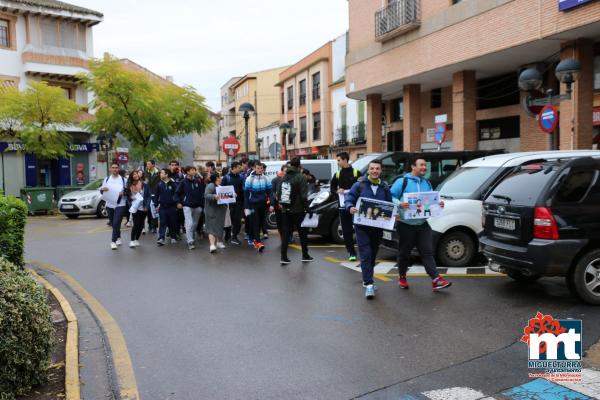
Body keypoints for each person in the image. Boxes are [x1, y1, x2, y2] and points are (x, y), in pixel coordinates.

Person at [391, 156, 451, 291]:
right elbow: (390, 196)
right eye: (421, 165)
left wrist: (438, 204)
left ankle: (436, 280)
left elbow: (429, 201)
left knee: (428, 252)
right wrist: (399, 203)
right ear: (413, 167)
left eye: (425, 165)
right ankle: (402, 277)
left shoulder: (427, 183)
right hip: (405, 225)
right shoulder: (402, 182)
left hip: (423, 224)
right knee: (404, 253)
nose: (424, 167)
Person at [345, 159, 393, 299]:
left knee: (372, 255)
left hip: (378, 227)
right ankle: (369, 284)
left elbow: (389, 204)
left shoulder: (384, 187)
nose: (374, 171)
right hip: (362, 226)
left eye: (377, 169)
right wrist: (350, 207)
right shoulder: (359, 185)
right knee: (365, 253)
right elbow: (349, 198)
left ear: (381, 171)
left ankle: (368, 278)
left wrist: (394, 214)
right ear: (369, 170)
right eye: (372, 168)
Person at [278, 157, 312, 264]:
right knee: (302, 233)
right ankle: (305, 255)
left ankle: (283, 257)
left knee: (286, 233)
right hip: (298, 210)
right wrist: (308, 209)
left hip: (285, 209)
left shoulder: (284, 176)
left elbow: (279, 193)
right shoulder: (300, 177)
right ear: (299, 166)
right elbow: (303, 196)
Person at [330, 151, 361, 262]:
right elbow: (332, 189)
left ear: (345, 160)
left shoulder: (357, 173)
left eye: (338, 160)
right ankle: (351, 253)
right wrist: (337, 191)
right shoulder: (337, 174)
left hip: (356, 207)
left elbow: (363, 188)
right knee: (347, 231)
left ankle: (362, 250)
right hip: (343, 207)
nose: (337, 162)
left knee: (359, 229)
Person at [244, 162, 274, 252]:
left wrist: (272, 204)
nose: (260, 170)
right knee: (255, 222)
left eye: (261, 168)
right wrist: (246, 207)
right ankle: (258, 242)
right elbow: (246, 194)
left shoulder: (266, 178)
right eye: (258, 168)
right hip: (253, 204)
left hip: (263, 204)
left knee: (261, 223)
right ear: (255, 168)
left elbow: (270, 193)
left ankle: (254, 238)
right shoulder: (249, 179)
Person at [175, 165, 205, 250]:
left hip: (197, 206)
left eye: (195, 170)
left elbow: (201, 193)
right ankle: (190, 241)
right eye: (192, 170)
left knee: (195, 224)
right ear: (187, 172)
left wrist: (201, 204)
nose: (194, 171)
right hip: (187, 205)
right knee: (189, 223)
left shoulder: (197, 181)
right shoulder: (183, 182)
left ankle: (192, 235)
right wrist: (179, 202)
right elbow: (177, 193)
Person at [100, 163, 128, 250]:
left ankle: (113, 241)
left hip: (120, 204)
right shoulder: (106, 179)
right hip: (109, 204)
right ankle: (118, 236)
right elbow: (102, 191)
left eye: (116, 168)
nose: (115, 169)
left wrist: (124, 193)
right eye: (113, 168)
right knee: (113, 223)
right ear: (110, 169)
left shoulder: (123, 180)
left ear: (118, 169)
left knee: (116, 223)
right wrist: (102, 190)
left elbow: (128, 192)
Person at [221, 161, 245, 245]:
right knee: (228, 221)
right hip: (228, 203)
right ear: (234, 168)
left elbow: (243, 190)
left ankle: (234, 236)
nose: (240, 169)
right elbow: (221, 190)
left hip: (238, 203)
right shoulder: (226, 178)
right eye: (239, 167)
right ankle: (228, 234)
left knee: (238, 221)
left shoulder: (241, 177)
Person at [126, 170, 151, 248]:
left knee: (141, 225)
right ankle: (132, 240)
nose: (136, 175)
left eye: (137, 174)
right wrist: (131, 198)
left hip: (143, 207)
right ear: (131, 176)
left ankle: (137, 239)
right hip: (135, 207)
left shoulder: (144, 185)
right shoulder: (129, 185)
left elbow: (148, 196)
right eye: (134, 174)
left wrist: (146, 206)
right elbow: (128, 197)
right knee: (136, 224)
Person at [154, 168, 178, 246]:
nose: (160, 174)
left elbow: (177, 194)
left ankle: (173, 237)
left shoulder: (173, 184)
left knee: (172, 222)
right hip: (163, 207)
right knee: (162, 222)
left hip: (172, 207)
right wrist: (156, 204)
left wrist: (176, 203)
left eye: (162, 173)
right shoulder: (159, 184)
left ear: (166, 174)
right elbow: (156, 195)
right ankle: (161, 238)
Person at [204, 173, 228, 253]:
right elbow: (206, 195)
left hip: (219, 211)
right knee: (211, 228)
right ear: (216, 178)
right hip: (212, 210)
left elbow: (226, 196)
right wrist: (214, 196)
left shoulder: (219, 186)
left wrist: (232, 195)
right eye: (220, 177)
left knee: (219, 226)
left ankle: (219, 242)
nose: (221, 178)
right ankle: (212, 245)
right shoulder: (211, 186)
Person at [271, 163, 289, 240]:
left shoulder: (290, 179)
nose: (286, 173)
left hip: (287, 204)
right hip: (278, 204)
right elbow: (272, 192)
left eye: (287, 171)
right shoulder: (275, 180)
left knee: (287, 221)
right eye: (285, 171)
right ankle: (282, 236)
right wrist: (278, 199)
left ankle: (288, 236)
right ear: (282, 171)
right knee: (279, 221)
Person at [146, 160, 161, 233]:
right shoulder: (146, 172)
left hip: (156, 193)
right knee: (148, 210)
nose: (147, 165)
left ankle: (154, 226)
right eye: (147, 164)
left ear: (153, 165)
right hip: (148, 193)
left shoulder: (159, 173)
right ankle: (150, 224)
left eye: (148, 164)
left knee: (154, 211)